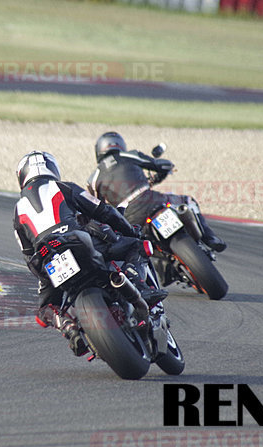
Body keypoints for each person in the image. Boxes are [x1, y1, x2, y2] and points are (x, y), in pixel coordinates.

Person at [12, 150, 167, 356]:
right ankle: (138, 285)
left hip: (45, 258)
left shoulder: (17, 209)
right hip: (76, 241)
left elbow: (27, 252)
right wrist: (130, 231)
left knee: (46, 308)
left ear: (22, 176)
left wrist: (44, 276)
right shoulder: (63, 187)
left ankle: (68, 327)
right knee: (136, 246)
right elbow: (103, 210)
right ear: (52, 169)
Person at [86, 132, 226, 252]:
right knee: (189, 201)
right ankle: (210, 237)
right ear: (120, 145)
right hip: (151, 200)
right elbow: (161, 164)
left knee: (135, 248)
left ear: (99, 150)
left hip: (128, 218)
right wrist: (165, 168)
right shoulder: (128, 155)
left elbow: (96, 209)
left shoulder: (93, 178)